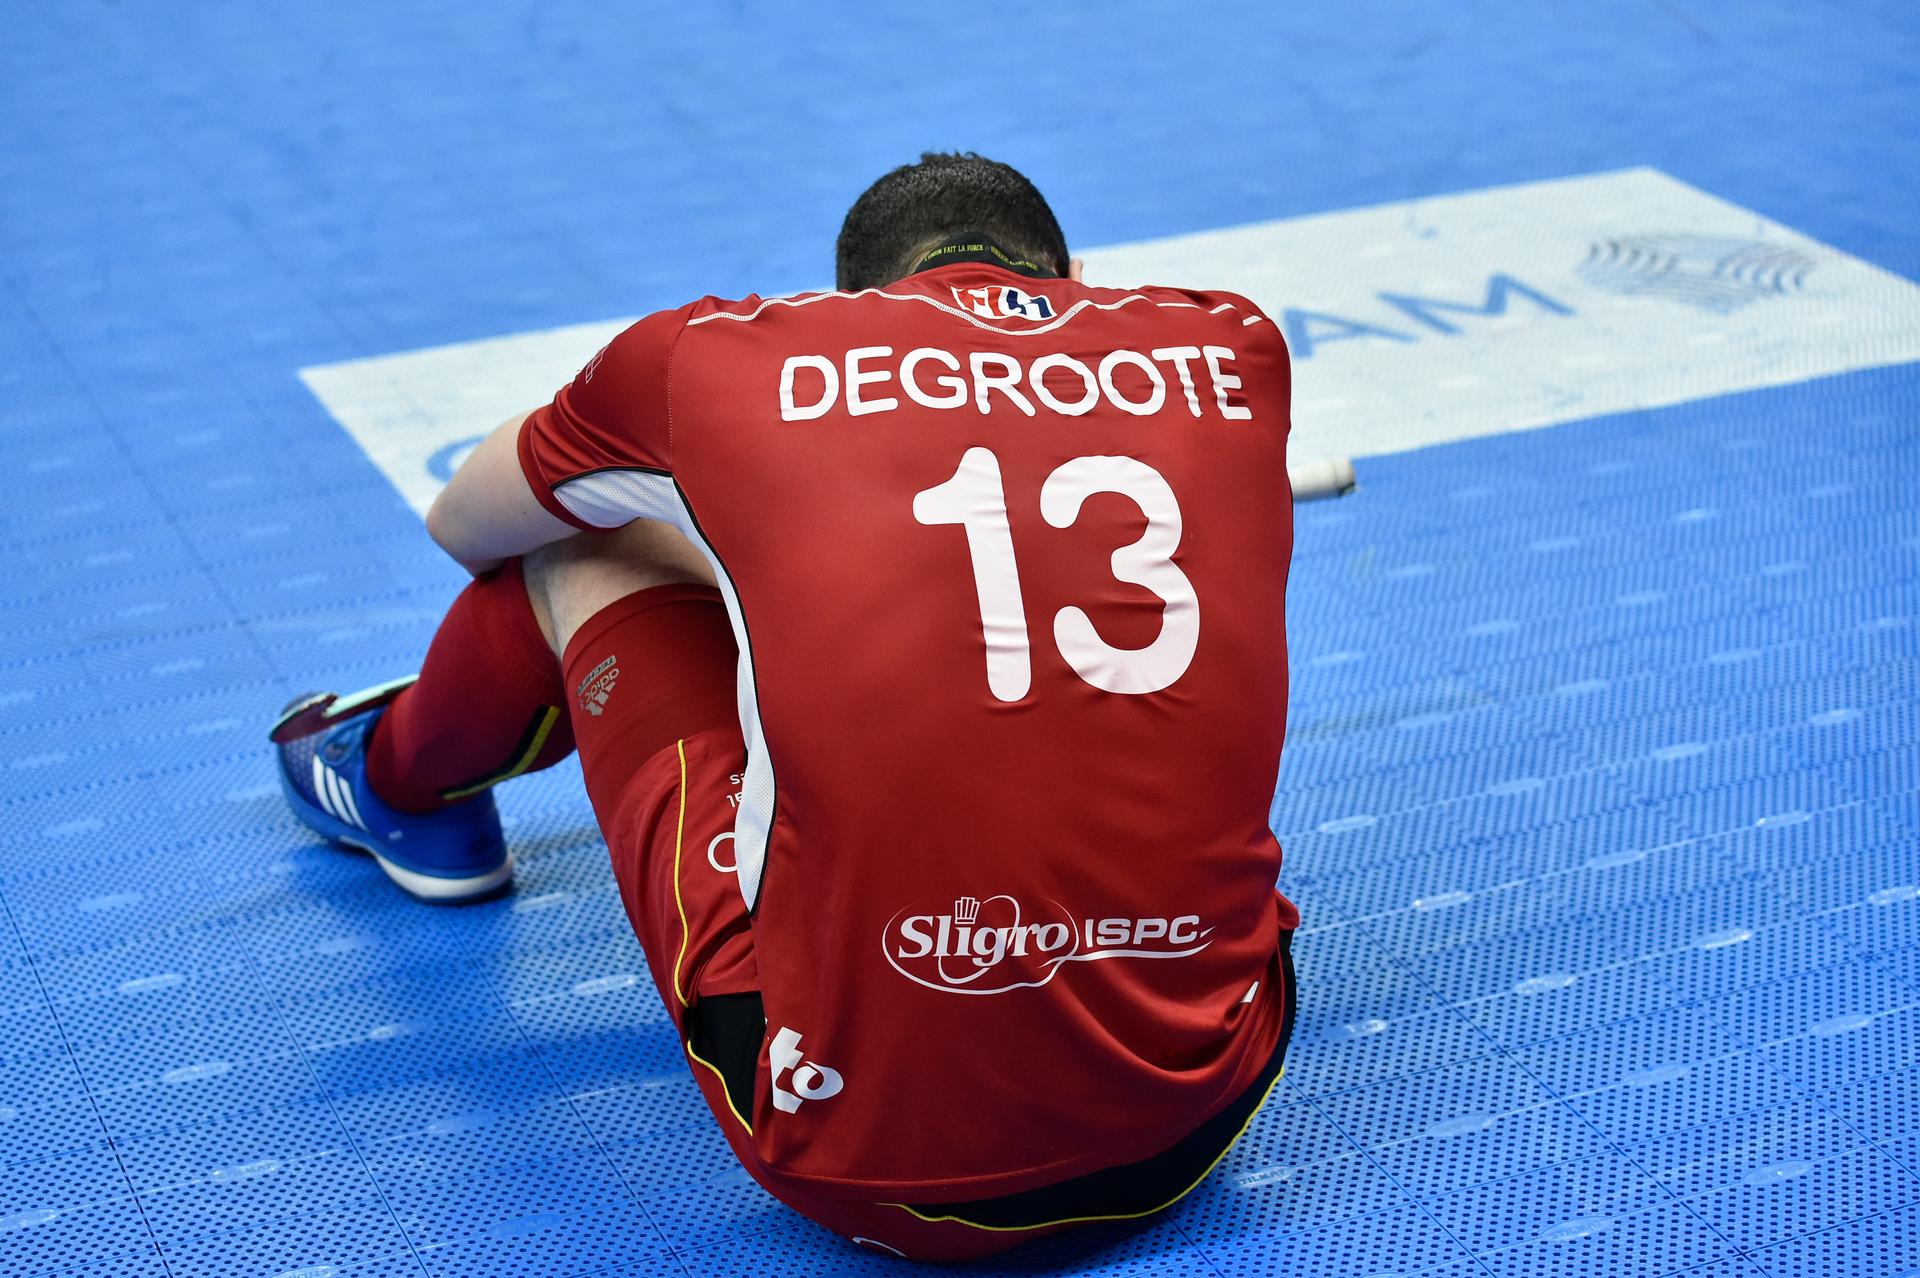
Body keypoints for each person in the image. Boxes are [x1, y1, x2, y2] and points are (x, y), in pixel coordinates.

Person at [271, 152, 1299, 1263]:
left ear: (861, 301)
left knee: (577, 553)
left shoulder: (711, 362)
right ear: (1073, 280)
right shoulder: (1231, 344)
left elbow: (464, 525)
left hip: (880, 1175)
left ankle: (395, 781)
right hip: (1207, 1112)